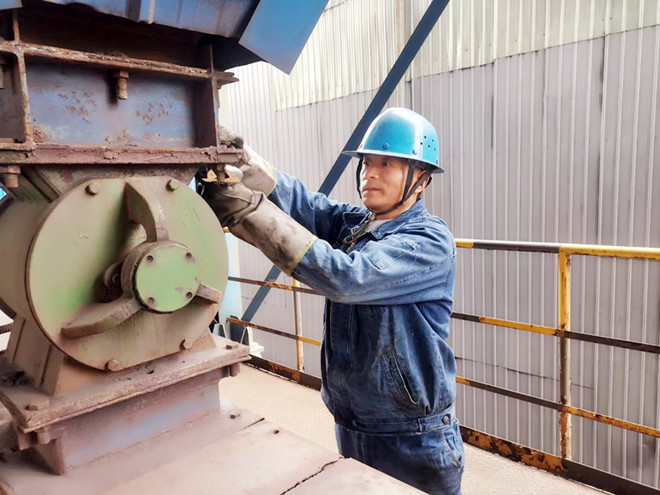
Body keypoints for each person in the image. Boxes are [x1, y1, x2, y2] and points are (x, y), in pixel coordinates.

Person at [200, 108, 464, 494]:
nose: (370, 173)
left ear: (420, 178)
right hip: (353, 423)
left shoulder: (429, 241)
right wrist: (244, 161)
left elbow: (347, 278)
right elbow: (307, 206)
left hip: (413, 437)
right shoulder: (356, 225)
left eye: (386, 164)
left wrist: (249, 211)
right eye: (367, 163)